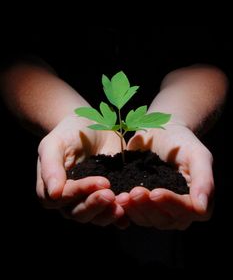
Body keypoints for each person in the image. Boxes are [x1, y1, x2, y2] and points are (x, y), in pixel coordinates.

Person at [0, 25, 230, 271]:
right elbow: (15, 62)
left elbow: (204, 63)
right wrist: (66, 116)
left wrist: (173, 119)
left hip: (171, 233)